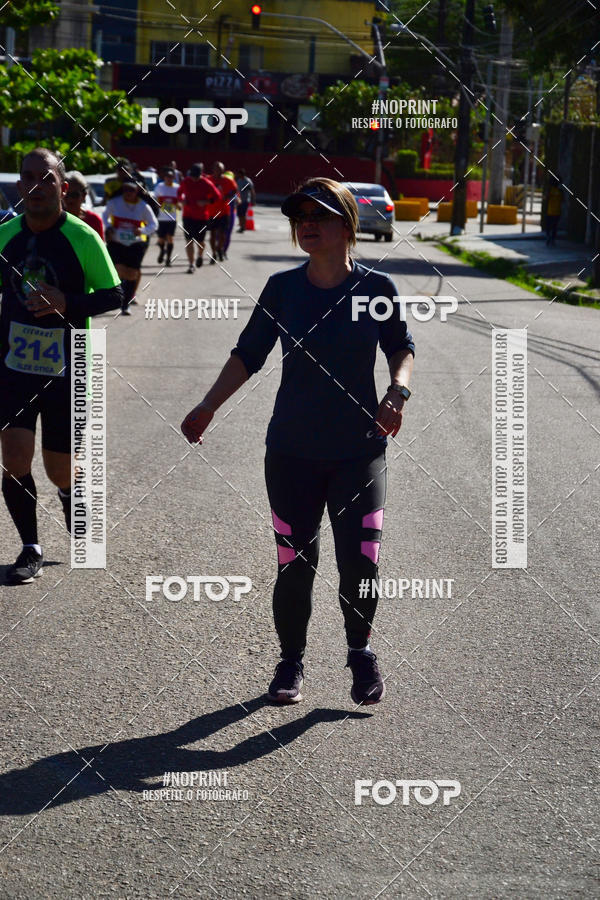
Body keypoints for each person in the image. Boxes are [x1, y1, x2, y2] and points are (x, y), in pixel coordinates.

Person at [181, 177, 415, 706]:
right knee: (294, 560)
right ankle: (290, 662)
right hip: (291, 451)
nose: (307, 224)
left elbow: (401, 347)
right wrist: (208, 404)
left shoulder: (377, 291)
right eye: (299, 216)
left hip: (359, 450)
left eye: (320, 215)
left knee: (360, 558)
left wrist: (398, 393)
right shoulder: (283, 289)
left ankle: (361, 654)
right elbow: (248, 354)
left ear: (348, 224)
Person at [0, 148, 122, 583]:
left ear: (62, 187)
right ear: (19, 186)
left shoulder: (83, 237)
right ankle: (30, 547)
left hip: (68, 368)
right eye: (27, 178)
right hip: (13, 368)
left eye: (45, 178)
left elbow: (115, 295)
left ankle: (74, 498)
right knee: (14, 458)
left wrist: (67, 302)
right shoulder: (6, 235)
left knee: (59, 468)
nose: (35, 186)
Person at [102, 179, 158, 315]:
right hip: (117, 242)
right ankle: (117, 293)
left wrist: (142, 231)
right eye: (126, 189)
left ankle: (125, 304)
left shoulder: (143, 206)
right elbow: (104, 215)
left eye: (131, 190)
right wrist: (109, 227)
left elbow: (154, 224)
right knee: (117, 269)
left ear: (137, 191)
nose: (128, 193)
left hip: (135, 243)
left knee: (132, 274)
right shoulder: (115, 202)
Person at [177, 163, 221, 273]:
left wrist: (206, 201)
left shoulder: (206, 183)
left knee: (200, 241)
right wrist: (181, 200)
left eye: (196, 176)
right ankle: (191, 265)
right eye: (192, 176)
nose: (194, 178)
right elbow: (178, 192)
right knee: (189, 240)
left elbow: (218, 196)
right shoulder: (186, 181)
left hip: (202, 217)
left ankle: (200, 256)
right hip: (187, 216)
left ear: (200, 174)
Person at [208, 162, 238, 262]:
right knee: (212, 234)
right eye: (216, 169)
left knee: (222, 234)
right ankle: (213, 253)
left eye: (220, 169)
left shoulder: (227, 181)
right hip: (211, 212)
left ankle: (220, 249)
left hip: (224, 211)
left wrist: (229, 196)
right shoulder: (209, 180)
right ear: (213, 170)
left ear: (223, 170)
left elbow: (235, 189)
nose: (218, 171)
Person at [63, 171, 104, 239]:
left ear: (84, 195)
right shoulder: (54, 220)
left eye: (75, 195)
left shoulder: (94, 220)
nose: (70, 200)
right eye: (67, 195)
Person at [153, 168, 179, 266]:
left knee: (170, 238)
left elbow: (180, 199)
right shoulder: (160, 186)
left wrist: (179, 205)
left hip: (172, 218)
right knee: (161, 239)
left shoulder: (177, 188)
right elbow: (155, 198)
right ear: (164, 177)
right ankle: (162, 251)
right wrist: (157, 204)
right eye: (167, 177)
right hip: (161, 218)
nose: (169, 178)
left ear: (173, 178)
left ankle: (168, 259)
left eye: (171, 177)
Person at [235, 168, 256, 233]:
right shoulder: (239, 181)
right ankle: (241, 226)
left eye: (239, 174)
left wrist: (253, 200)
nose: (238, 175)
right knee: (239, 214)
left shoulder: (248, 181)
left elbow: (252, 191)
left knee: (243, 214)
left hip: (245, 200)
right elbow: (237, 190)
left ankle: (243, 227)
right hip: (239, 200)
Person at [546, 174, 563, 246]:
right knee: (555, 227)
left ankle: (549, 238)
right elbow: (563, 201)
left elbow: (546, 199)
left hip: (550, 211)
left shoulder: (550, 191)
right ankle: (552, 239)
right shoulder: (560, 191)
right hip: (557, 211)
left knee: (549, 226)